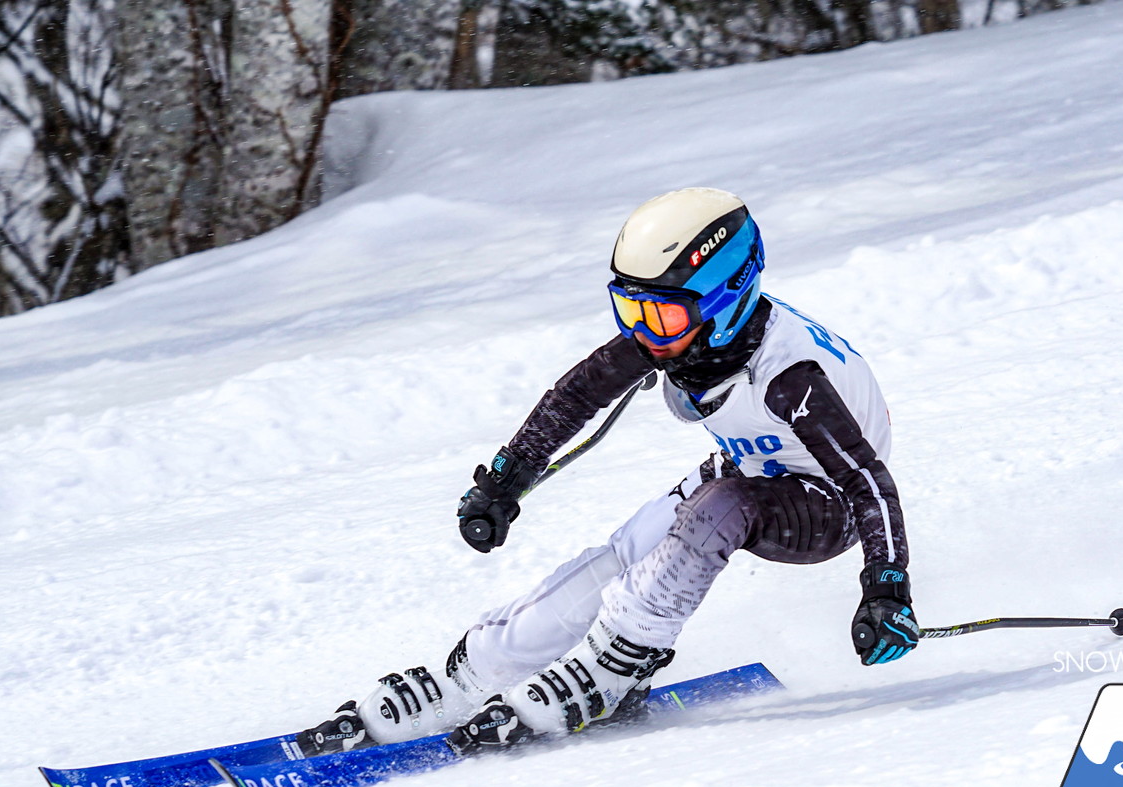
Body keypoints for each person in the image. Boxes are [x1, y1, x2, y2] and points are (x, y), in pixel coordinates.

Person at [297, 187, 918, 757]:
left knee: (718, 506)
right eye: (630, 308)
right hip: (743, 471)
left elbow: (869, 483)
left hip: (828, 507)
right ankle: (469, 675)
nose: (643, 332)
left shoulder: (790, 375)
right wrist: (506, 480)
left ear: (725, 297)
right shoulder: (678, 337)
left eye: (663, 316)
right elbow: (574, 398)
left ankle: (614, 666)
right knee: (614, 562)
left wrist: (886, 589)